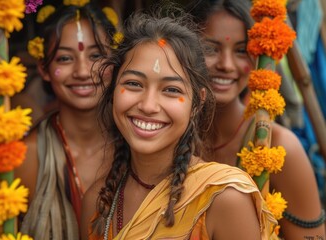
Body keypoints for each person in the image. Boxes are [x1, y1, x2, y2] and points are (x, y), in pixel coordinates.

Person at [81, 6, 277, 239]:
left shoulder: (223, 198)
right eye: (134, 84)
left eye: (171, 90)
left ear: (197, 103)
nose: (148, 105)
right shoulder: (98, 202)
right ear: (113, 90)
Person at [188, 0, 326, 239]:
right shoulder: (167, 135)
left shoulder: (281, 148)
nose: (226, 65)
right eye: (210, 49)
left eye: (242, 51)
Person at [12, 2, 119, 239]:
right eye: (64, 58)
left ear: (115, 63)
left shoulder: (140, 146)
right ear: (44, 68)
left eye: (96, 55)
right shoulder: (26, 157)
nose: (82, 71)